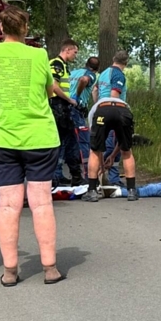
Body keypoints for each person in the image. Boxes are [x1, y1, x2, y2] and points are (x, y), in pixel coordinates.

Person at [0, 6, 64, 286]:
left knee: (9, 206)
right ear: (25, 28)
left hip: (2, 137)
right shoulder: (39, 55)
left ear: (1, 28)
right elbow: (50, 90)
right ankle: (49, 268)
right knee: (41, 203)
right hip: (40, 137)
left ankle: (10, 271)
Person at [83, 97, 138, 202]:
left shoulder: (94, 110)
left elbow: (98, 147)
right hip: (123, 112)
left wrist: (108, 160)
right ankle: (131, 191)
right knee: (127, 151)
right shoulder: (125, 105)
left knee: (94, 151)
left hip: (103, 112)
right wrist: (111, 158)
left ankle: (92, 191)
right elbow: (122, 143)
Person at [50, 39, 84, 186]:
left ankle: (64, 177)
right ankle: (74, 177)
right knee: (68, 143)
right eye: (75, 52)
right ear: (67, 50)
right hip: (58, 107)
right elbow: (54, 86)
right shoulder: (56, 64)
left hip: (61, 108)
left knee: (66, 143)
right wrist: (70, 100)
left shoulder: (62, 65)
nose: (75, 55)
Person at [93, 51, 129, 185]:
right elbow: (114, 95)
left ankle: (101, 177)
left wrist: (98, 104)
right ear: (126, 62)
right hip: (113, 113)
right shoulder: (118, 74)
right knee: (112, 145)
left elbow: (94, 90)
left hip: (100, 110)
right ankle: (104, 177)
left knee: (101, 144)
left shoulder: (103, 73)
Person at [69, 56, 100, 172]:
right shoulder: (91, 75)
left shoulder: (73, 73)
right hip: (77, 108)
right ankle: (88, 173)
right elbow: (84, 80)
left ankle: (61, 175)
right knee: (83, 141)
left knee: (67, 141)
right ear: (96, 69)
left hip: (64, 108)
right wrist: (76, 96)